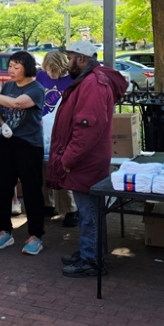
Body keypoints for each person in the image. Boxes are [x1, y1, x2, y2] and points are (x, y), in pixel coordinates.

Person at [45, 41, 128, 277]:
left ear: (80, 59)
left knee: (89, 213)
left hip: (85, 162)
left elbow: (86, 129)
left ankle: (92, 260)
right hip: (85, 160)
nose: (67, 62)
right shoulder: (89, 80)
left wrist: (67, 160)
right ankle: (89, 252)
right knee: (87, 212)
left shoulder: (93, 83)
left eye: (70, 57)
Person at [0, 51, 46, 255]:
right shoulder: (8, 86)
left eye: (16, 67)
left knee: (31, 190)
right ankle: (4, 231)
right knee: (2, 189)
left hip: (29, 145)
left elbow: (17, 103)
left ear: (27, 68)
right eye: (10, 66)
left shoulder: (36, 89)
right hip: (7, 142)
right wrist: (2, 125)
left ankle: (35, 235)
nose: (11, 70)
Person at [36, 49, 78, 227]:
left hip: (62, 128)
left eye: (53, 71)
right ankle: (47, 204)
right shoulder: (40, 76)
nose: (50, 74)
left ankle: (70, 209)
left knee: (60, 168)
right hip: (41, 127)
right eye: (48, 70)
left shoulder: (72, 80)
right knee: (41, 168)